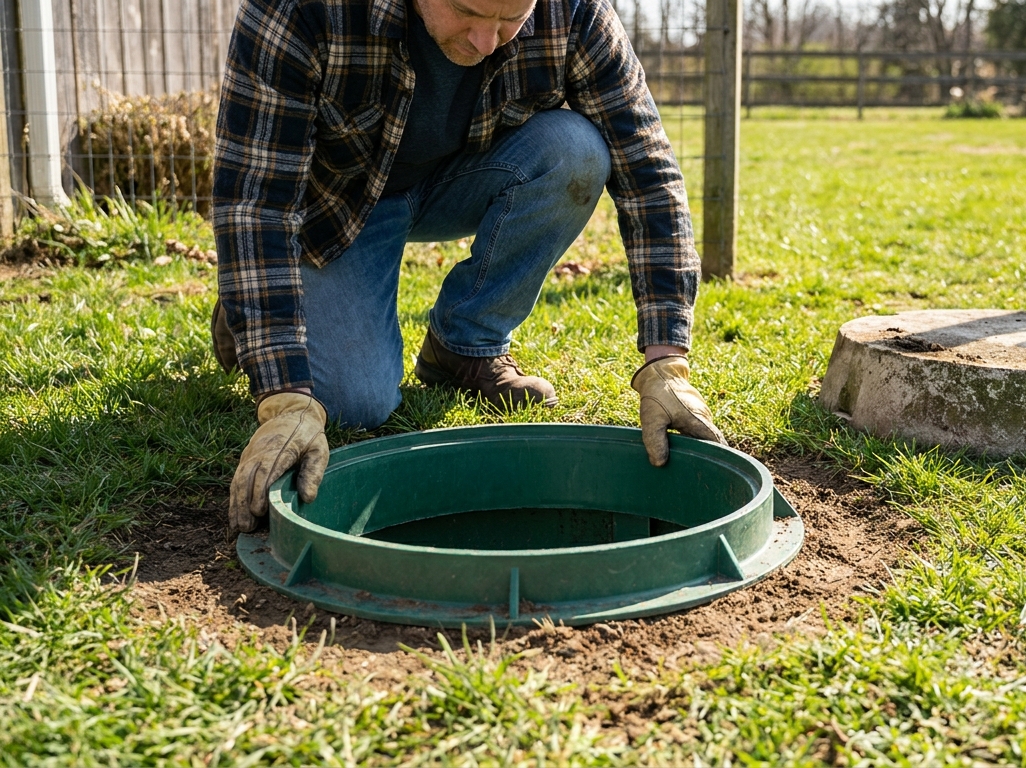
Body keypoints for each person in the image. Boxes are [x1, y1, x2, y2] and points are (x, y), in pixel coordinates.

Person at [211, 0, 725, 533]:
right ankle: (261, 297)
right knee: (351, 403)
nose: (486, 42)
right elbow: (256, 205)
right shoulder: (304, 10)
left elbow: (648, 172)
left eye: (510, 21)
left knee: (577, 151)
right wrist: (285, 397)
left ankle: (464, 347)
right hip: (338, 203)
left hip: (468, 173)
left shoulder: (575, 11)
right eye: (467, 12)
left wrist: (667, 361)